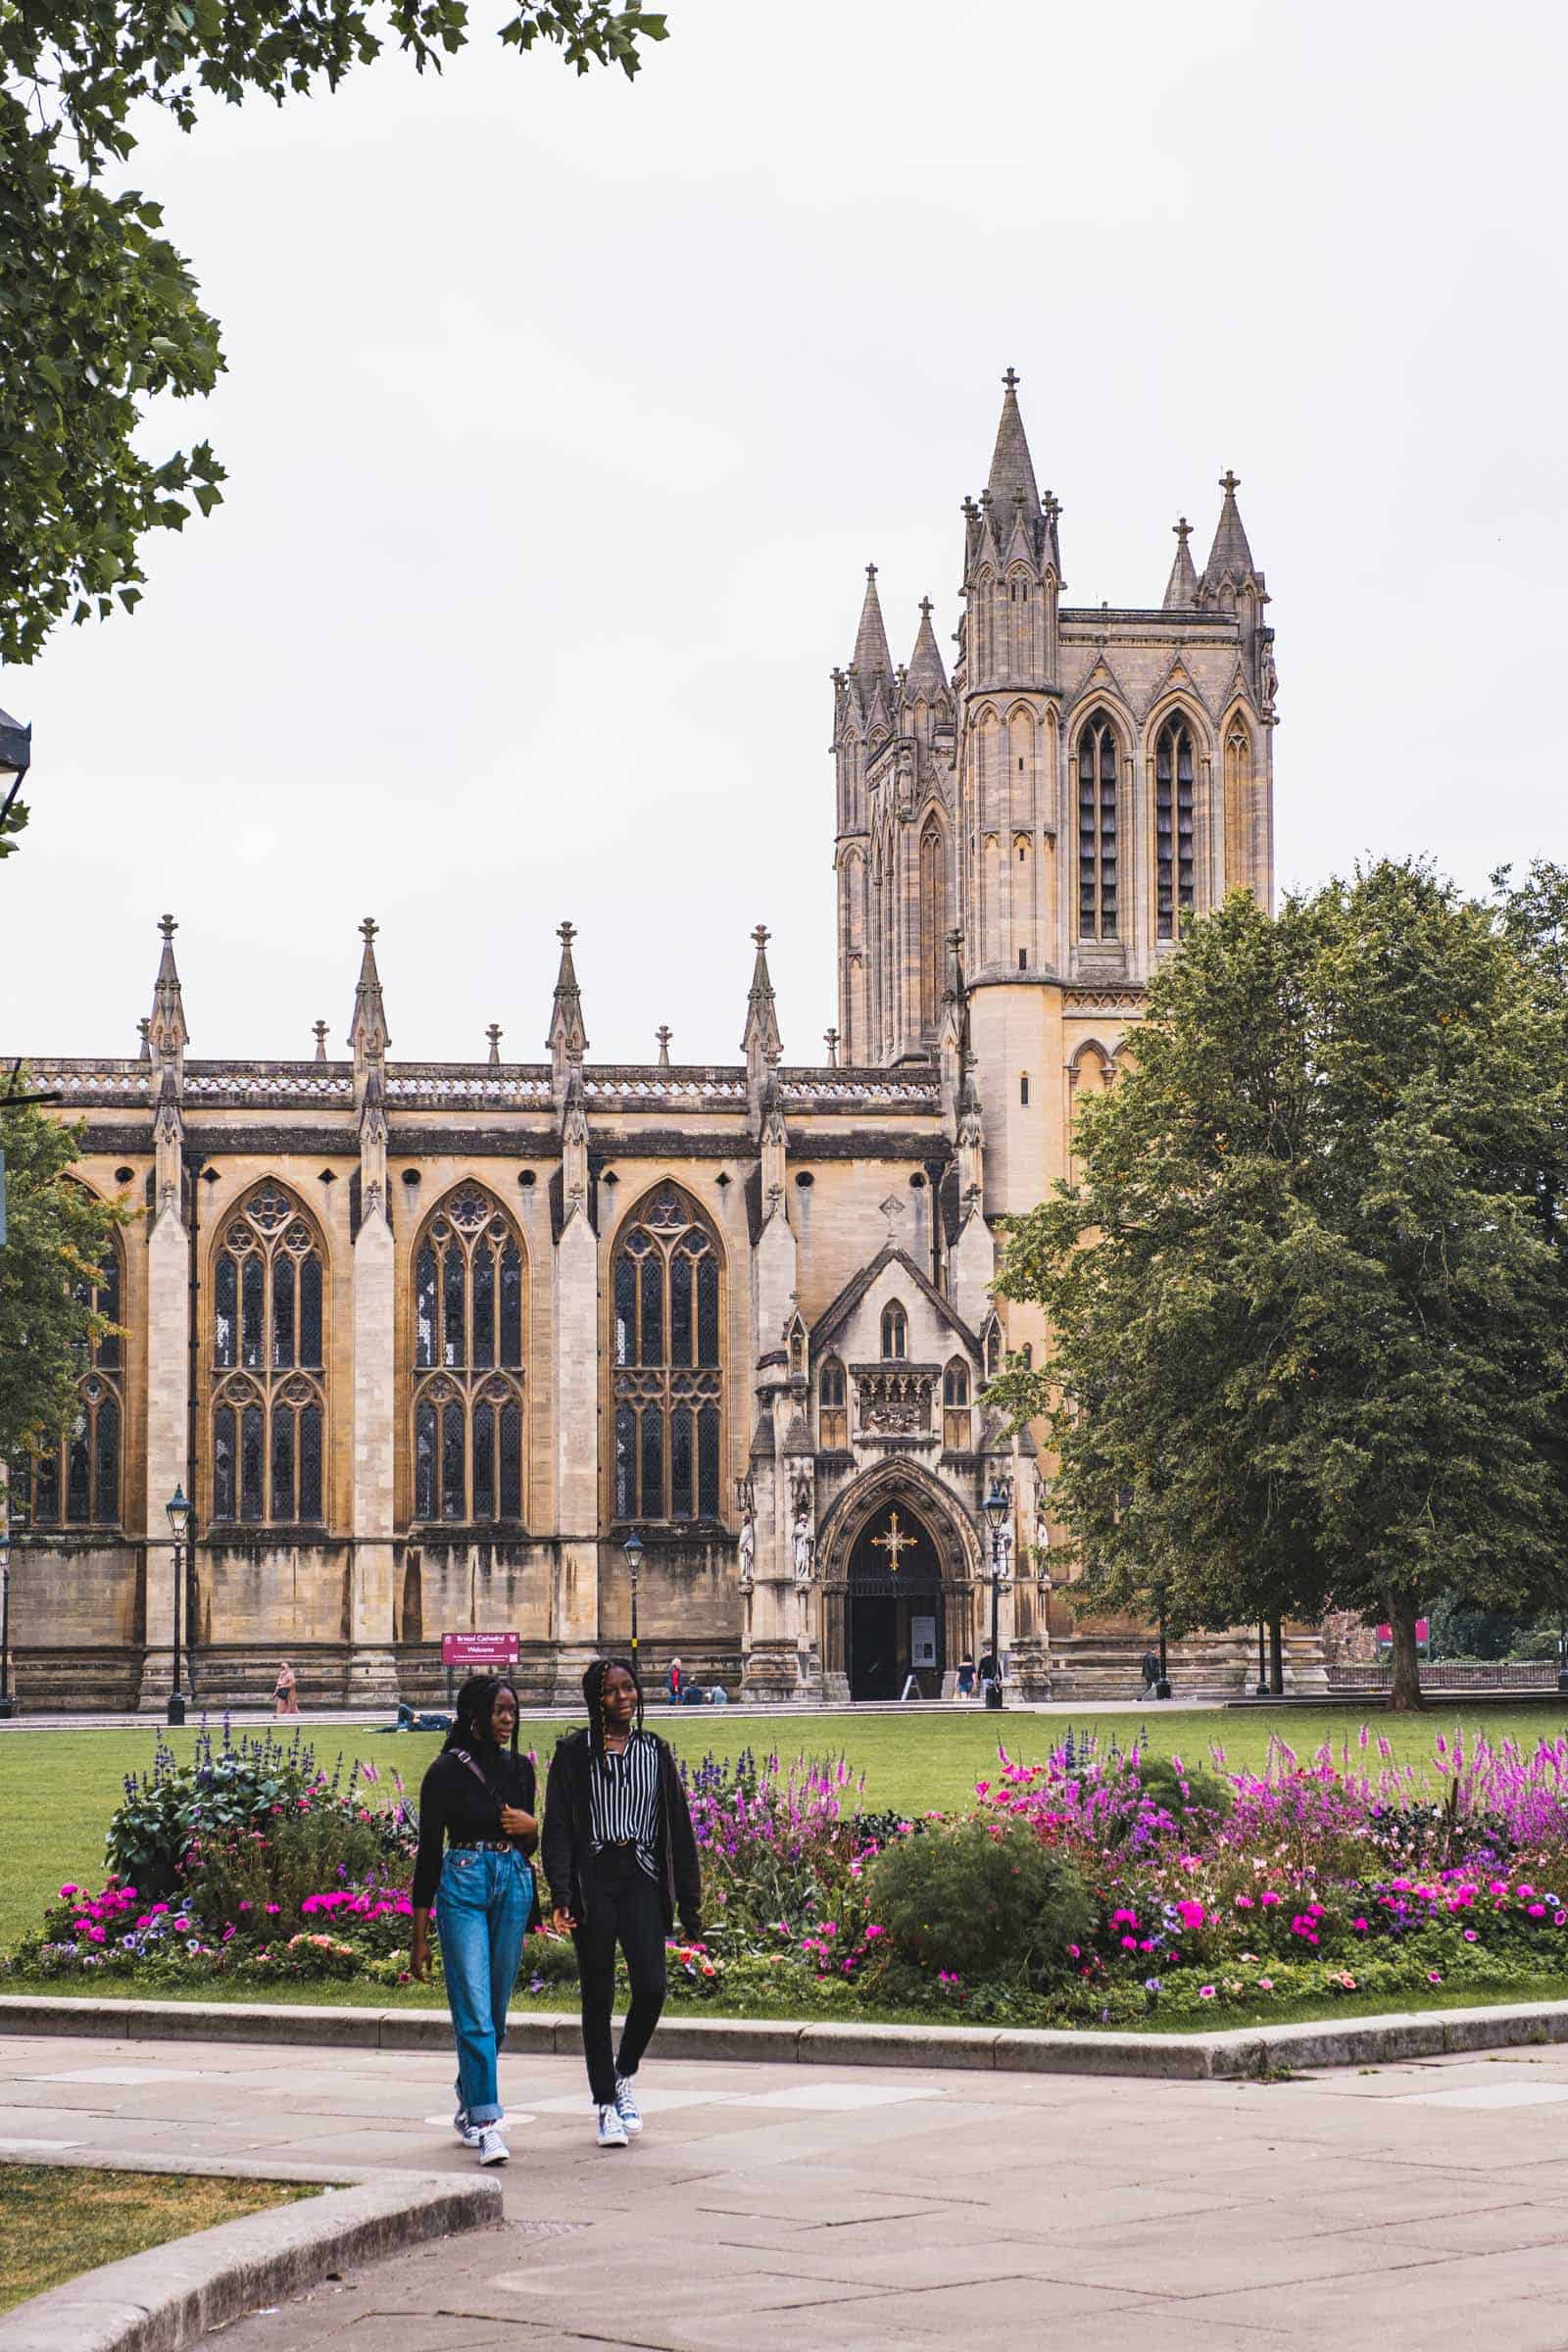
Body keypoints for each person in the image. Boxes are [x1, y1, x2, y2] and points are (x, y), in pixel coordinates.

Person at [542, 1657, 701, 2150]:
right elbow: (559, 1829)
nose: (624, 1697)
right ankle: (606, 2104)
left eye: (629, 1688)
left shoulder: (654, 1750)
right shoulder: (573, 1753)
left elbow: (677, 1827)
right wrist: (562, 1893)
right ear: (596, 1699)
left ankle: (624, 2071)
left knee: (652, 1987)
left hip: (642, 1877)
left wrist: (690, 1904)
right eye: (612, 1691)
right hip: (595, 1880)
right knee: (598, 1995)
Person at [410, 1676, 540, 2167]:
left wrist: (534, 1828)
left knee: (496, 2014)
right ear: (476, 1716)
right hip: (461, 1883)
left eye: (513, 1710)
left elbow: (529, 1843)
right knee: (475, 2009)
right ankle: (486, 2121)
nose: (508, 1719)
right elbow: (428, 1855)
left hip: (512, 1883)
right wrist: (420, 1934)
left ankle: (469, 2093)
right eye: (499, 1711)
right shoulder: (443, 1772)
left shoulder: (522, 1770)